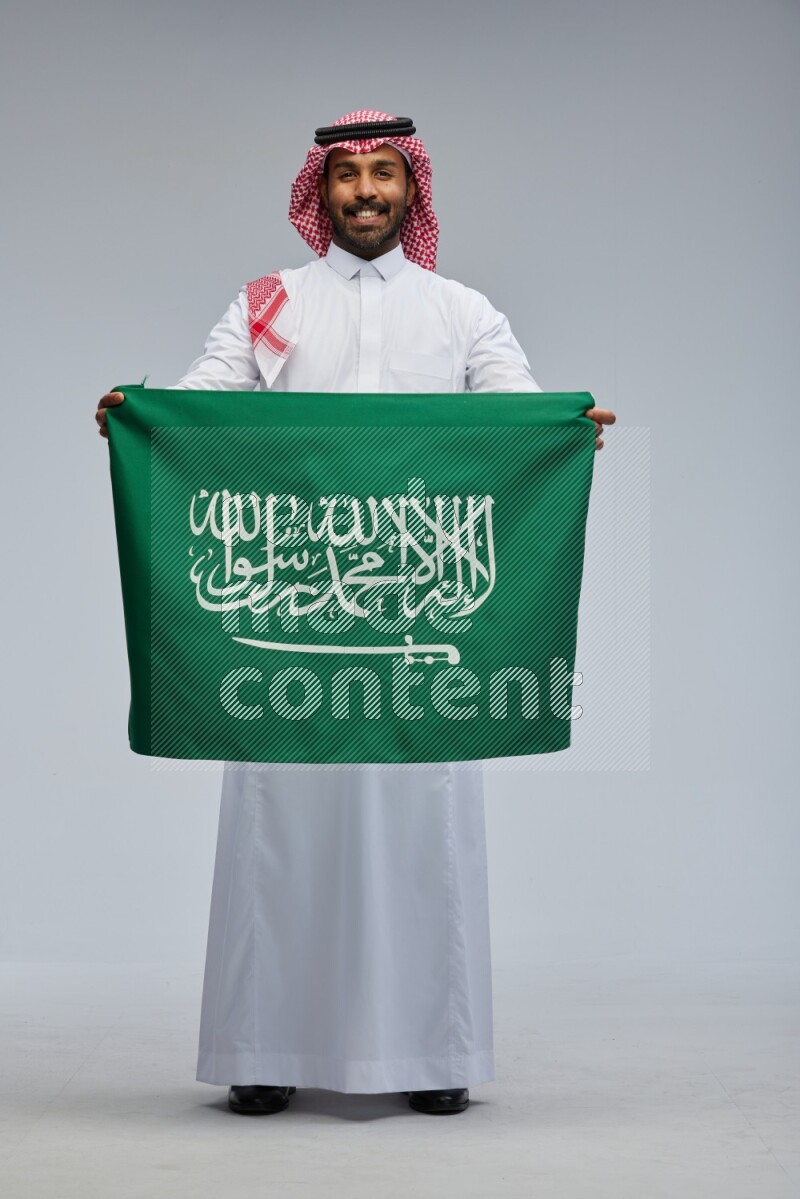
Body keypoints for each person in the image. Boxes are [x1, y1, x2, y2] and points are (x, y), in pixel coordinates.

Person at [96, 110, 615, 1118]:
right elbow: (206, 411)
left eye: (385, 174)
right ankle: (263, 1046)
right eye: (348, 177)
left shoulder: (462, 312)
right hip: (294, 607)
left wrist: (563, 428)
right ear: (318, 192)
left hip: (418, 619)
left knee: (424, 829)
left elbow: (515, 416)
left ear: (411, 191)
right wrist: (142, 413)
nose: (366, 192)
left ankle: (433, 1051)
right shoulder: (268, 305)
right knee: (277, 830)